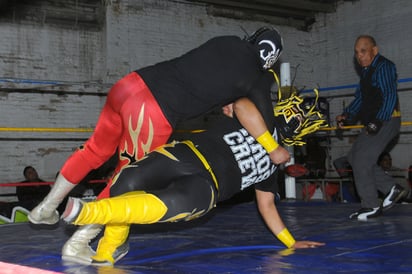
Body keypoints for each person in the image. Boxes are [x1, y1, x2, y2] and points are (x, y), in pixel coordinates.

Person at [29, 26, 291, 263]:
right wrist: (273, 147)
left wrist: (229, 98)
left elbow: (210, 76)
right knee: (128, 179)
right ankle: (79, 242)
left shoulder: (228, 41)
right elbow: (266, 122)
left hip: (132, 84)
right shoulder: (256, 77)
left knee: (95, 149)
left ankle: (47, 206)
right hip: (152, 111)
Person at [61, 98, 326, 266]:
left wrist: (291, 242)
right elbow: (243, 104)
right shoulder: (260, 117)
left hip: (208, 187)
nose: (296, 117)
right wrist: (269, 143)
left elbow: (267, 206)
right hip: (187, 154)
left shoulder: (272, 168)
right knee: (126, 180)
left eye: (301, 118)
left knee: (169, 205)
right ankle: (112, 245)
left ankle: (91, 216)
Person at [335, 35, 405, 221]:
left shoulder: (384, 66)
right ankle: (391, 187)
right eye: (357, 53)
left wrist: (378, 122)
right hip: (378, 121)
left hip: (387, 120)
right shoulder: (367, 72)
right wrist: (347, 114)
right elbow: (361, 100)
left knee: (362, 160)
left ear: (375, 50)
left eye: (364, 51)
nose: (360, 56)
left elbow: (389, 96)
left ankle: (371, 205)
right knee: (353, 157)